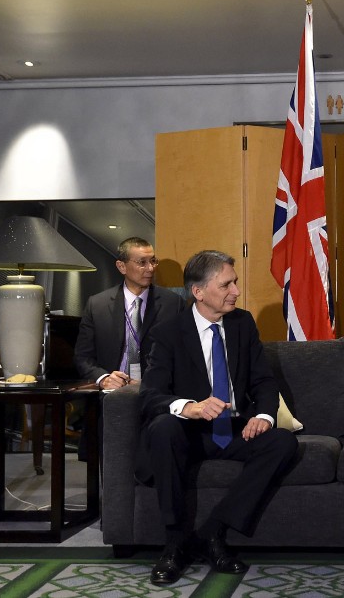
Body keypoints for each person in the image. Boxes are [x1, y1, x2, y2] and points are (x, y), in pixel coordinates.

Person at [136, 250, 299, 586]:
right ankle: (175, 543)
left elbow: (263, 382)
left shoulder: (242, 323)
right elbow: (150, 396)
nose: (236, 291)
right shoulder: (167, 332)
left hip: (234, 429)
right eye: (227, 284)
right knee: (164, 427)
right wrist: (190, 407)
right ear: (198, 292)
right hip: (188, 432)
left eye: (235, 282)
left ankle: (213, 533)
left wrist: (265, 416)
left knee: (282, 442)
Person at [72, 237, 186, 460]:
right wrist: (104, 378)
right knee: (108, 433)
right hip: (112, 392)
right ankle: (109, 492)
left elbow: (182, 356)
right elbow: (82, 357)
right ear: (121, 266)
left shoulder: (173, 304)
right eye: (142, 262)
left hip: (154, 390)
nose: (150, 268)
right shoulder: (97, 304)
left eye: (153, 261)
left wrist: (153, 381)